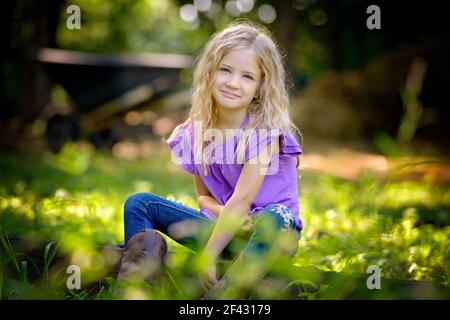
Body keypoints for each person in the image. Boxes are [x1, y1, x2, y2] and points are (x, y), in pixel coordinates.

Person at [117, 21, 303, 299]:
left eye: (247, 77)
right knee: (139, 204)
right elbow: (203, 198)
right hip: (223, 229)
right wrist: (224, 215)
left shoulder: (265, 133)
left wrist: (208, 256)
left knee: (276, 217)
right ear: (210, 71)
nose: (232, 83)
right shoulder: (196, 131)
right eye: (225, 70)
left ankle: (222, 297)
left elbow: (241, 201)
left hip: (268, 235)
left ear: (261, 86)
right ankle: (138, 287)